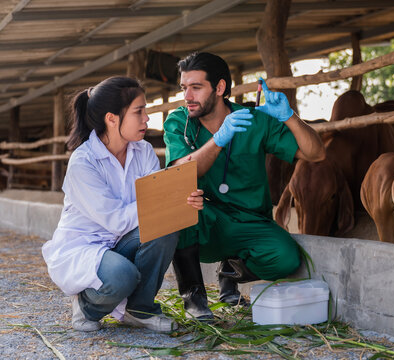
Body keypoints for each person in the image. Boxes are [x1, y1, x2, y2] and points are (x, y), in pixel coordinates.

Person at [163, 52, 325, 320]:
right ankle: (195, 300)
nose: (187, 96)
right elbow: (181, 172)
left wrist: (289, 117)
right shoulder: (180, 122)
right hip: (205, 218)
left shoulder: (254, 120)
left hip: (250, 220)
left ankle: (230, 271)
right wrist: (219, 139)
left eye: (196, 87)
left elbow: (316, 154)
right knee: (178, 208)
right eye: (184, 88)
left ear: (220, 88)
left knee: (287, 259)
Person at [42, 76, 204, 332]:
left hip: (123, 240)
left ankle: (140, 310)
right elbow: (116, 220)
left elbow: (158, 202)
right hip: (87, 246)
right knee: (122, 275)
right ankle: (86, 306)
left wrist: (182, 200)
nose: (147, 119)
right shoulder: (84, 162)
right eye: (138, 112)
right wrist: (163, 200)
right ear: (112, 118)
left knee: (166, 225)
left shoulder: (144, 151)